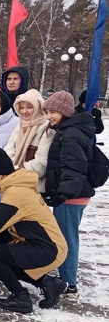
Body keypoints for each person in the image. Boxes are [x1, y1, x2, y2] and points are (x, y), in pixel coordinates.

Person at [0, 148, 68, 313]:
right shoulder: (17, 185)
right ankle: (49, 284)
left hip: (48, 249)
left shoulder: (16, 192)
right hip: (47, 245)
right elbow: (3, 208)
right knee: (5, 258)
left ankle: (20, 297)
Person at [42, 91, 95, 298]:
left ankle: (69, 283)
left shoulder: (71, 134)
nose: (49, 116)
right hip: (70, 194)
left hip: (72, 197)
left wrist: (63, 195)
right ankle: (66, 277)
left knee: (66, 238)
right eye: (47, 112)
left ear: (64, 112)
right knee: (65, 236)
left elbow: (74, 168)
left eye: (53, 112)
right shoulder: (67, 130)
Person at [4, 89, 54, 194]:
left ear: (38, 107)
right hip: (15, 184)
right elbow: (8, 151)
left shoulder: (46, 128)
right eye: (21, 107)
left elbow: (41, 164)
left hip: (35, 189)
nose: (24, 111)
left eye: (29, 107)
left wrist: (15, 170)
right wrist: (8, 168)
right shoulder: (20, 126)